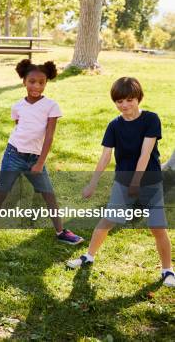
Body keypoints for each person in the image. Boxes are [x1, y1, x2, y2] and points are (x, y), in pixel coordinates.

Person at [66, 77, 174, 288]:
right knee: (108, 220)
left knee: (157, 227)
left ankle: (167, 269)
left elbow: (145, 154)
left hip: (149, 180)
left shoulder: (151, 119)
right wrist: (92, 183)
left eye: (129, 100)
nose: (124, 105)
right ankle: (89, 256)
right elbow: (106, 156)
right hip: (123, 181)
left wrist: (136, 183)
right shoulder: (114, 125)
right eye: (119, 101)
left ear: (138, 98)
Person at [0, 59, 83, 253]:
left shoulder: (51, 106)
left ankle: (61, 232)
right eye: (32, 81)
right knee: (1, 194)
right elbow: (19, 128)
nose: (36, 86)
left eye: (41, 82)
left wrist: (40, 162)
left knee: (49, 194)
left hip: (35, 159)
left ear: (46, 83)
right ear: (24, 82)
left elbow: (49, 136)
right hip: (13, 154)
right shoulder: (17, 106)